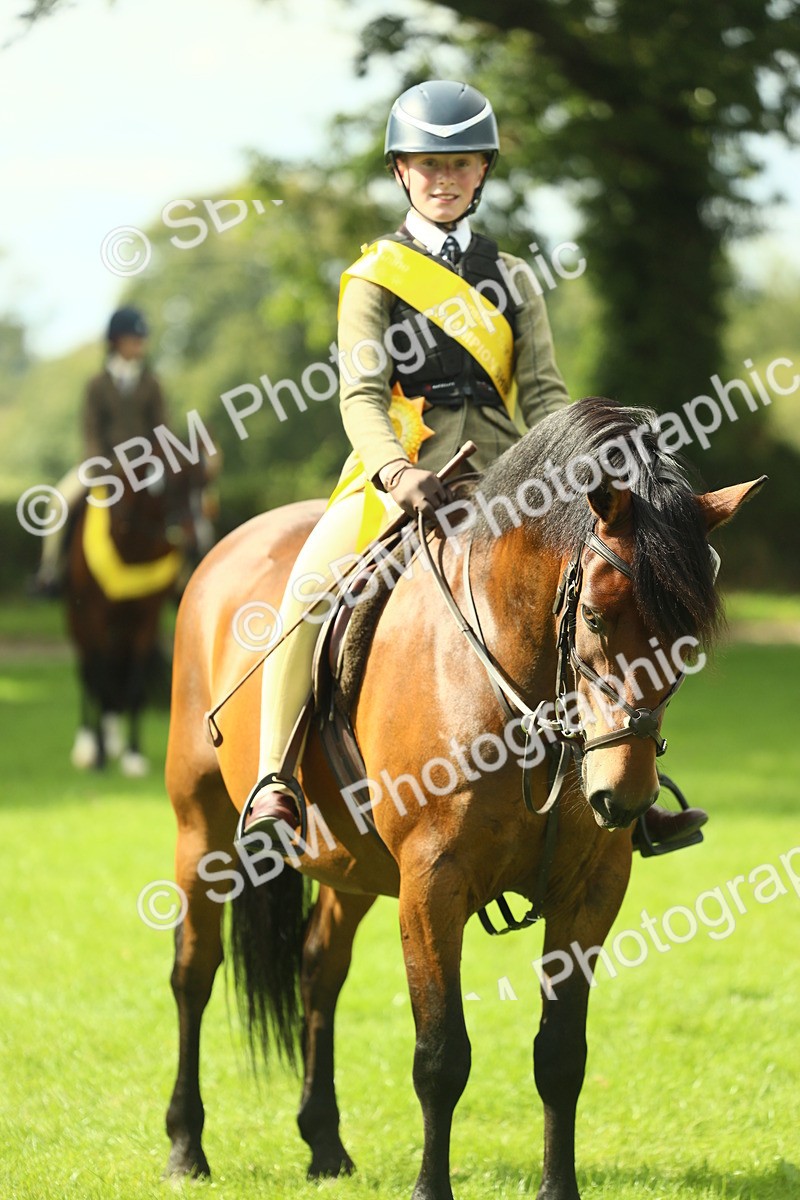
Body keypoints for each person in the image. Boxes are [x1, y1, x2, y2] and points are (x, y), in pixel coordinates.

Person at [241, 80, 707, 849]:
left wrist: (591, 470)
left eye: (460, 163)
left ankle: (633, 787)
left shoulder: (515, 277)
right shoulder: (370, 279)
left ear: (483, 171)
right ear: (401, 172)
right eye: (428, 164)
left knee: (608, 594)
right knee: (308, 588)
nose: (444, 178)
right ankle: (273, 780)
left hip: (508, 480)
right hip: (399, 475)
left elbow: (547, 396)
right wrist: (395, 472)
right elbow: (359, 396)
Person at [32, 306, 167, 595]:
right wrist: (103, 466)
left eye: (141, 340)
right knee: (57, 504)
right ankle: (50, 569)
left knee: (182, 505)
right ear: (117, 342)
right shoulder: (97, 385)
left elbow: (162, 428)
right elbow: (91, 431)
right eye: (134, 339)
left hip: (144, 468)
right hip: (100, 465)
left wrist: (156, 462)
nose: (140, 345)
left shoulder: (151, 384)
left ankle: (182, 574)